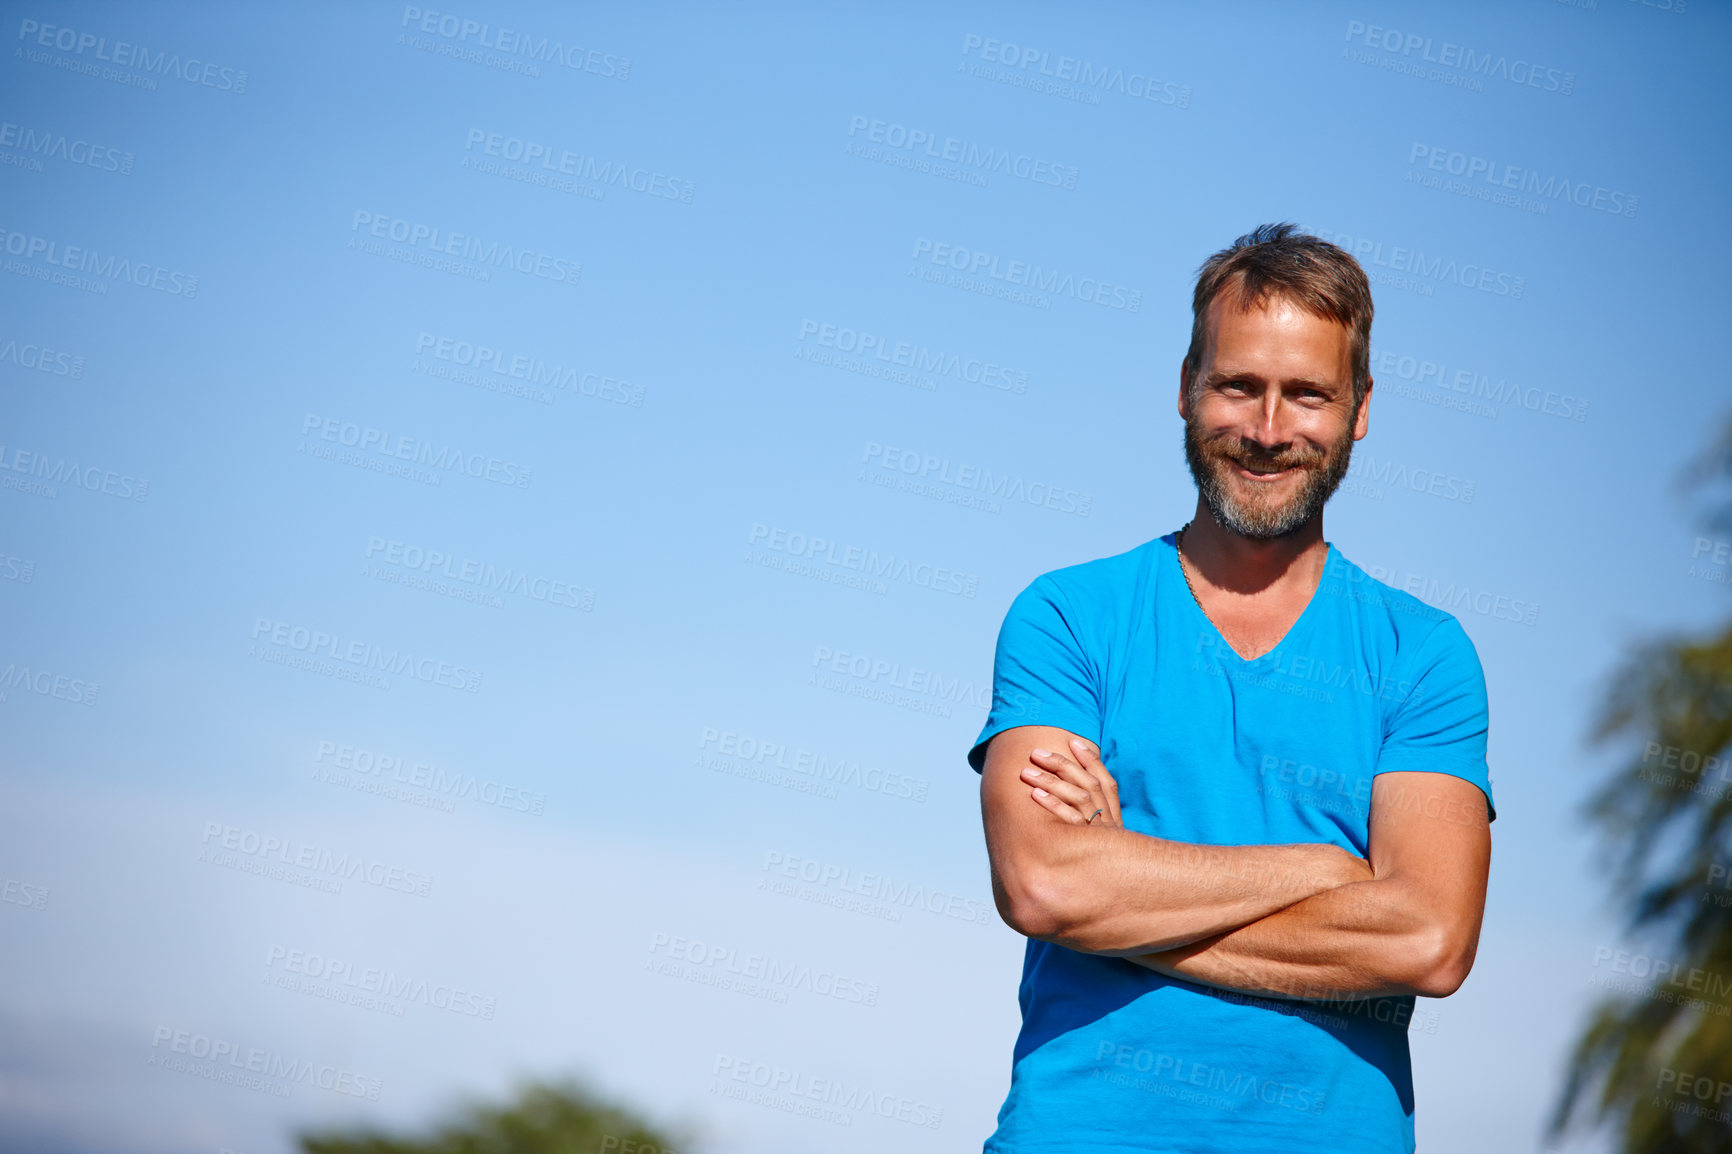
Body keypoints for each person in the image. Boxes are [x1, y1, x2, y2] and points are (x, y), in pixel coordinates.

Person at [968, 223, 1493, 1153]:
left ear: (1360, 408)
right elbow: (1044, 882)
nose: (1266, 429)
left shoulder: (1423, 655)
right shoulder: (1069, 617)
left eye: (1307, 396)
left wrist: (1125, 882)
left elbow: (1426, 942)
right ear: (1184, 387)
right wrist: (1326, 871)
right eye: (1238, 385)